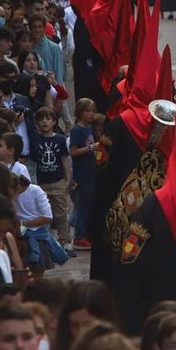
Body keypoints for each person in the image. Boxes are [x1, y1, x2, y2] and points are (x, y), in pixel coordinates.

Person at [32, 107, 73, 250]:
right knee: (44, 214)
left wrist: (68, 179)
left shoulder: (60, 139)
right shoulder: (35, 139)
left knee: (61, 213)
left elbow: (64, 160)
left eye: (48, 119)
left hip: (58, 181)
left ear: (54, 121)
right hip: (42, 183)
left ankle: (65, 241)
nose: (44, 122)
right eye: (41, 119)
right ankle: (49, 242)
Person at [67, 99, 98, 250]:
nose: (91, 114)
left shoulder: (89, 128)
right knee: (83, 204)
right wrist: (92, 147)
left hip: (90, 170)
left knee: (88, 202)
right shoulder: (77, 130)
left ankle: (83, 231)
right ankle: (79, 236)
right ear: (80, 112)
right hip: (82, 173)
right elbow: (73, 152)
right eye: (88, 111)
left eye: (93, 111)